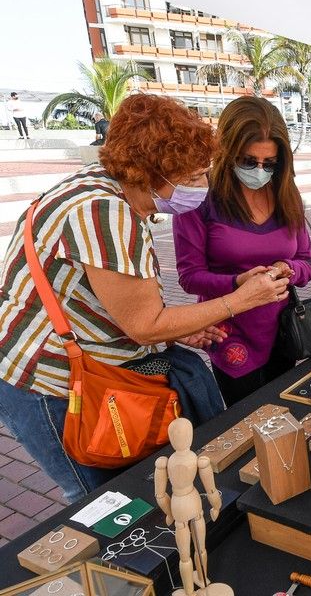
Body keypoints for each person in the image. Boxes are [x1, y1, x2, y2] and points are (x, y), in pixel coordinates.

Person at [0, 94, 288, 502]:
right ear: (154, 171)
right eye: (191, 176)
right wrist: (239, 300)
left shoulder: (97, 187)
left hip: (65, 368)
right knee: (106, 503)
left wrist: (178, 330)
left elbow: (117, 307)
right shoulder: (105, 212)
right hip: (52, 386)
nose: (201, 187)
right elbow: (143, 324)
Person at [174, 96, 311, 406]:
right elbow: (190, 277)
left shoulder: (286, 194)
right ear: (226, 151)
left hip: (285, 329)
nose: (260, 171)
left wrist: (287, 269)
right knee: (248, 419)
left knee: (285, 412)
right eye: (249, 161)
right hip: (229, 333)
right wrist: (238, 283)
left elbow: (307, 263)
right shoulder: (200, 199)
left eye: (270, 163)